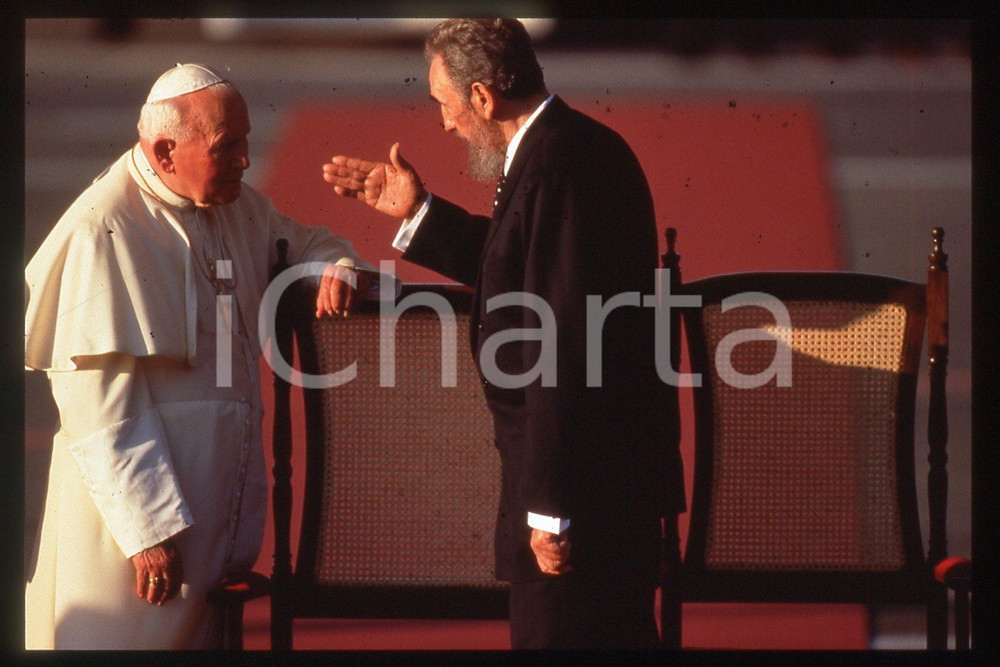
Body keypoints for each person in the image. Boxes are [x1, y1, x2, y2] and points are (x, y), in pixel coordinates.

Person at [323, 19, 685, 649]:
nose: (444, 123)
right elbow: (523, 266)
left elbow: (563, 347)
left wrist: (548, 510)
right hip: (596, 488)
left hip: (579, 503)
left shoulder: (554, 167)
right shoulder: (569, 149)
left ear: (483, 98)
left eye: (445, 105)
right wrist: (416, 212)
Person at [24, 63, 386, 649]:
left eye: (245, 141)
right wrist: (146, 532)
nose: (245, 158)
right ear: (166, 151)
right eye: (228, 146)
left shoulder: (236, 206)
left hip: (216, 522)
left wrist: (337, 266)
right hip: (135, 539)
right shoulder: (100, 230)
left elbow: (314, 242)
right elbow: (99, 411)